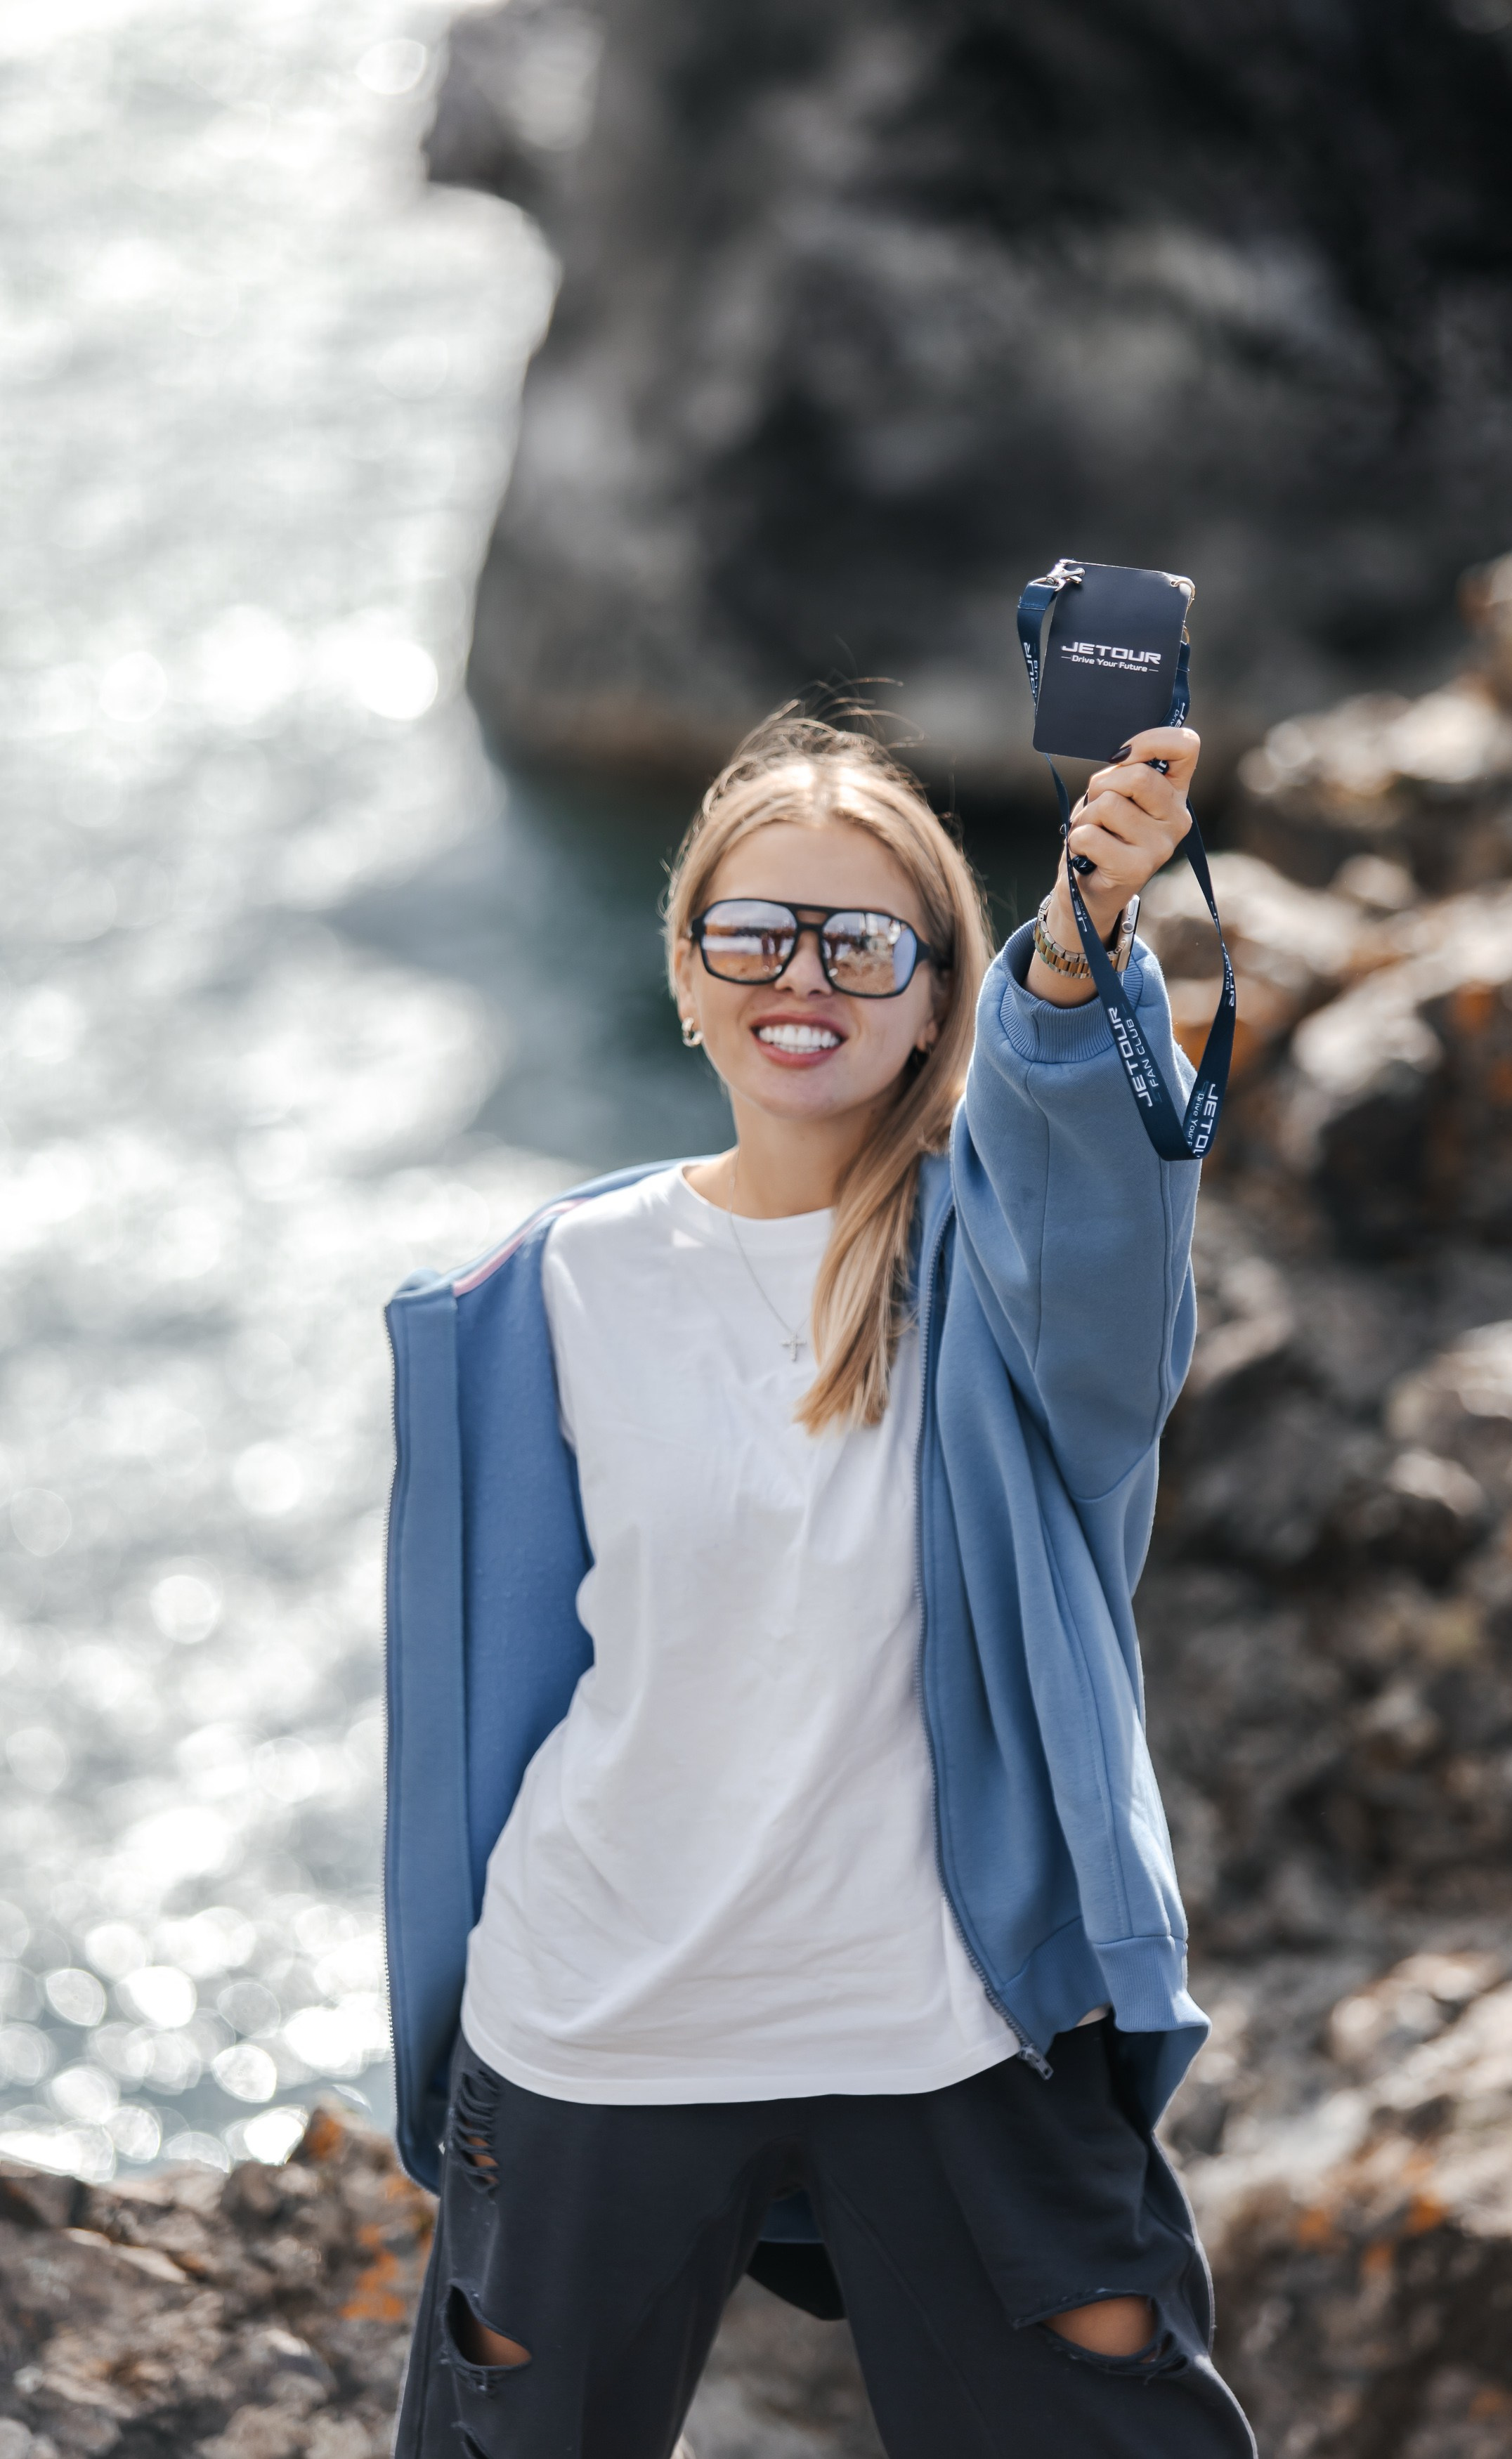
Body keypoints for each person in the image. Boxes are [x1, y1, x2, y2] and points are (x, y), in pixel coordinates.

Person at [384, 708, 1256, 2459]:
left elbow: (1099, 1206)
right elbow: (484, 1694)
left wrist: (1081, 949)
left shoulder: (1002, 1278)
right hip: (602, 2015)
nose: (807, 975)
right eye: (755, 933)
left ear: (938, 994)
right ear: (688, 976)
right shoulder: (529, 1296)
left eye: (864, 940)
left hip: (952, 2018)